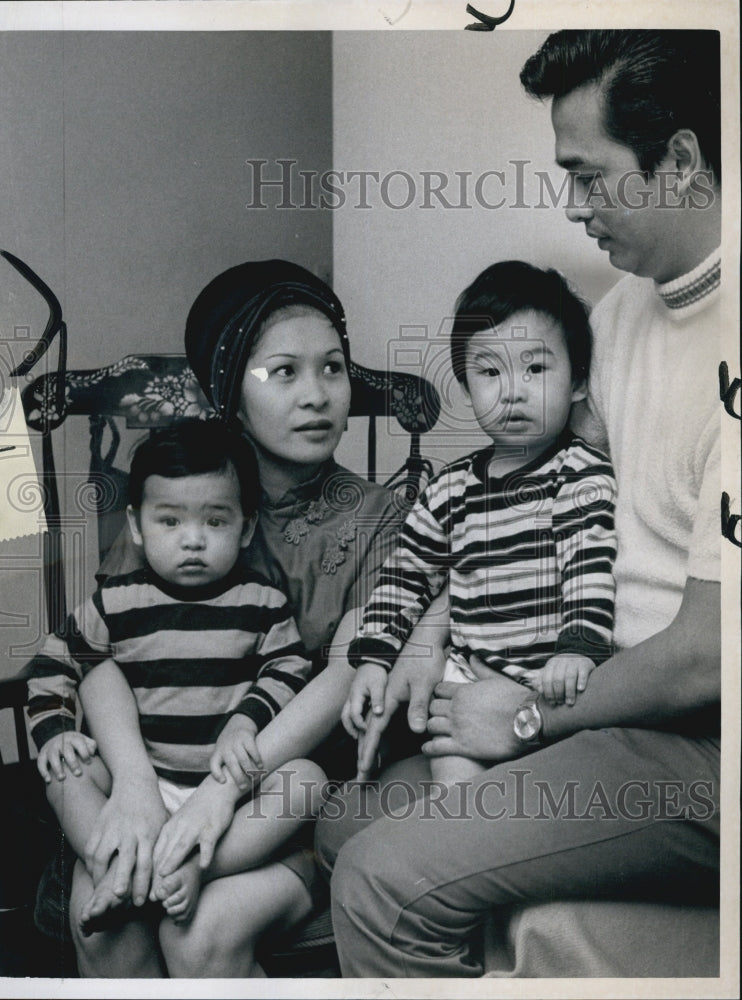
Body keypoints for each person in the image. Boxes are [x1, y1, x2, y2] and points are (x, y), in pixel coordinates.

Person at [317, 29, 722, 977]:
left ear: (681, 159)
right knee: (343, 823)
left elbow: (708, 656)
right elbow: (525, 506)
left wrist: (529, 717)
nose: (572, 207)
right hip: (595, 698)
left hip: (687, 737)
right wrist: (427, 640)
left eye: (588, 175)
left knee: (380, 880)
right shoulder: (620, 317)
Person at [36, 259, 404, 977]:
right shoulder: (184, 498)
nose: (317, 396)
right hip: (153, 771)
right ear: (231, 389)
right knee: (109, 933)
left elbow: (345, 671)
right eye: (283, 373)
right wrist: (138, 788)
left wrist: (220, 795)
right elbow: (104, 649)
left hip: (283, 806)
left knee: (198, 935)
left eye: (332, 369)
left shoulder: (379, 518)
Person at [27, 419, 326, 935]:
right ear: (138, 526)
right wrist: (54, 730)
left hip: (231, 796)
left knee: (306, 781)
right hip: (142, 784)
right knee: (67, 774)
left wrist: (245, 722)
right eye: (170, 522)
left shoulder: (260, 603)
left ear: (246, 527)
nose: (193, 540)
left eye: (215, 522)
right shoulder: (116, 604)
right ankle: (115, 865)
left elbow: (289, 667)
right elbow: (55, 660)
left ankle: (192, 865)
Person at [342, 261, 616, 788]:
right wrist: (375, 659)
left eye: (536, 370)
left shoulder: (579, 474)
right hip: (465, 678)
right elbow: (406, 576)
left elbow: (589, 563)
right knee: (455, 784)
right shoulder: (449, 488)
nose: (512, 391)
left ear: (579, 382)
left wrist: (578, 647)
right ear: (467, 387)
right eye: (490, 373)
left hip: (551, 682)